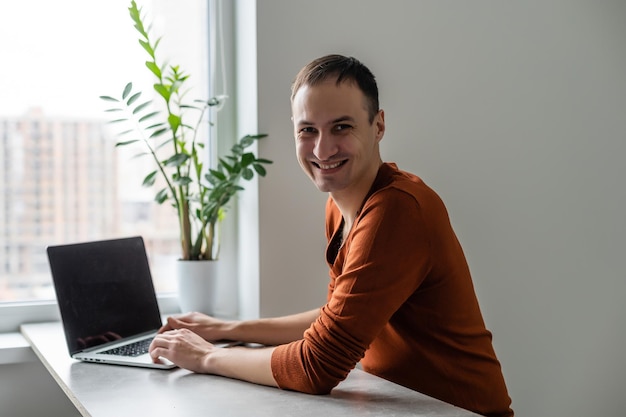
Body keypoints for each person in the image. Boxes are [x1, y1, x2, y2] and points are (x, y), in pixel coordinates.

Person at [149, 54, 514, 417]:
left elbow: (316, 365)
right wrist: (225, 328)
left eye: (341, 127)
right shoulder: (340, 207)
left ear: (378, 125)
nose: (323, 149)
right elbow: (335, 320)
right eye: (308, 130)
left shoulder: (397, 211)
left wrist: (207, 356)